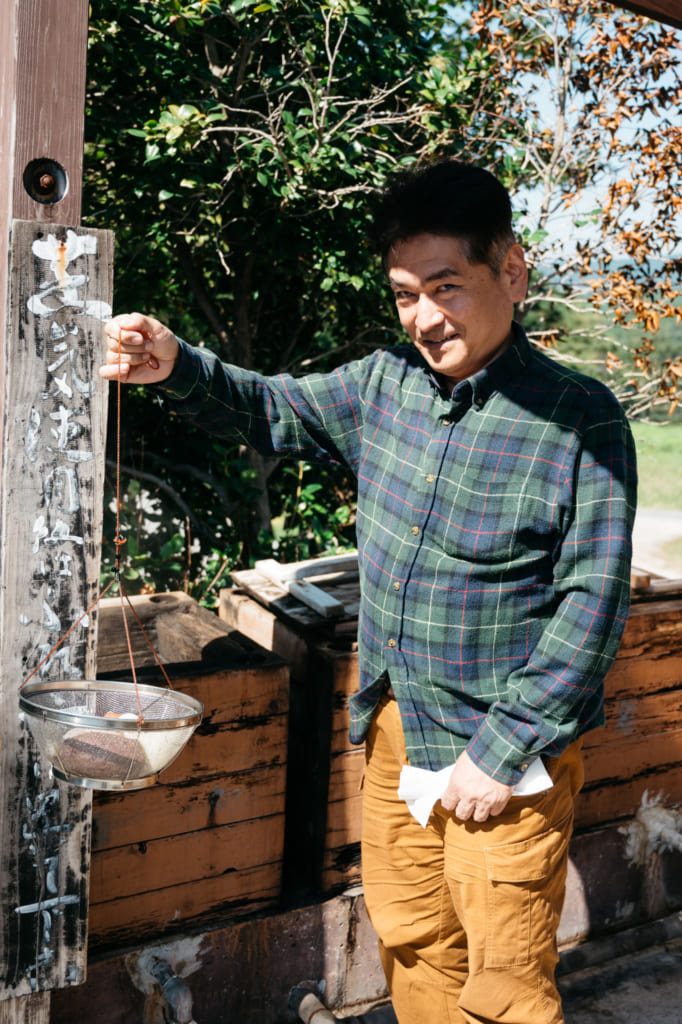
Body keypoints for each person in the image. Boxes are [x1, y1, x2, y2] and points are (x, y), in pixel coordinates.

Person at [101, 160, 637, 1024]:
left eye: (446, 287)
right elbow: (271, 407)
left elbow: (591, 609)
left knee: (504, 986)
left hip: (505, 753)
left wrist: (500, 752)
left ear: (512, 270)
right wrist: (176, 365)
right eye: (403, 294)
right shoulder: (384, 386)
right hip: (393, 727)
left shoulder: (581, 417)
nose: (424, 318)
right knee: (413, 939)